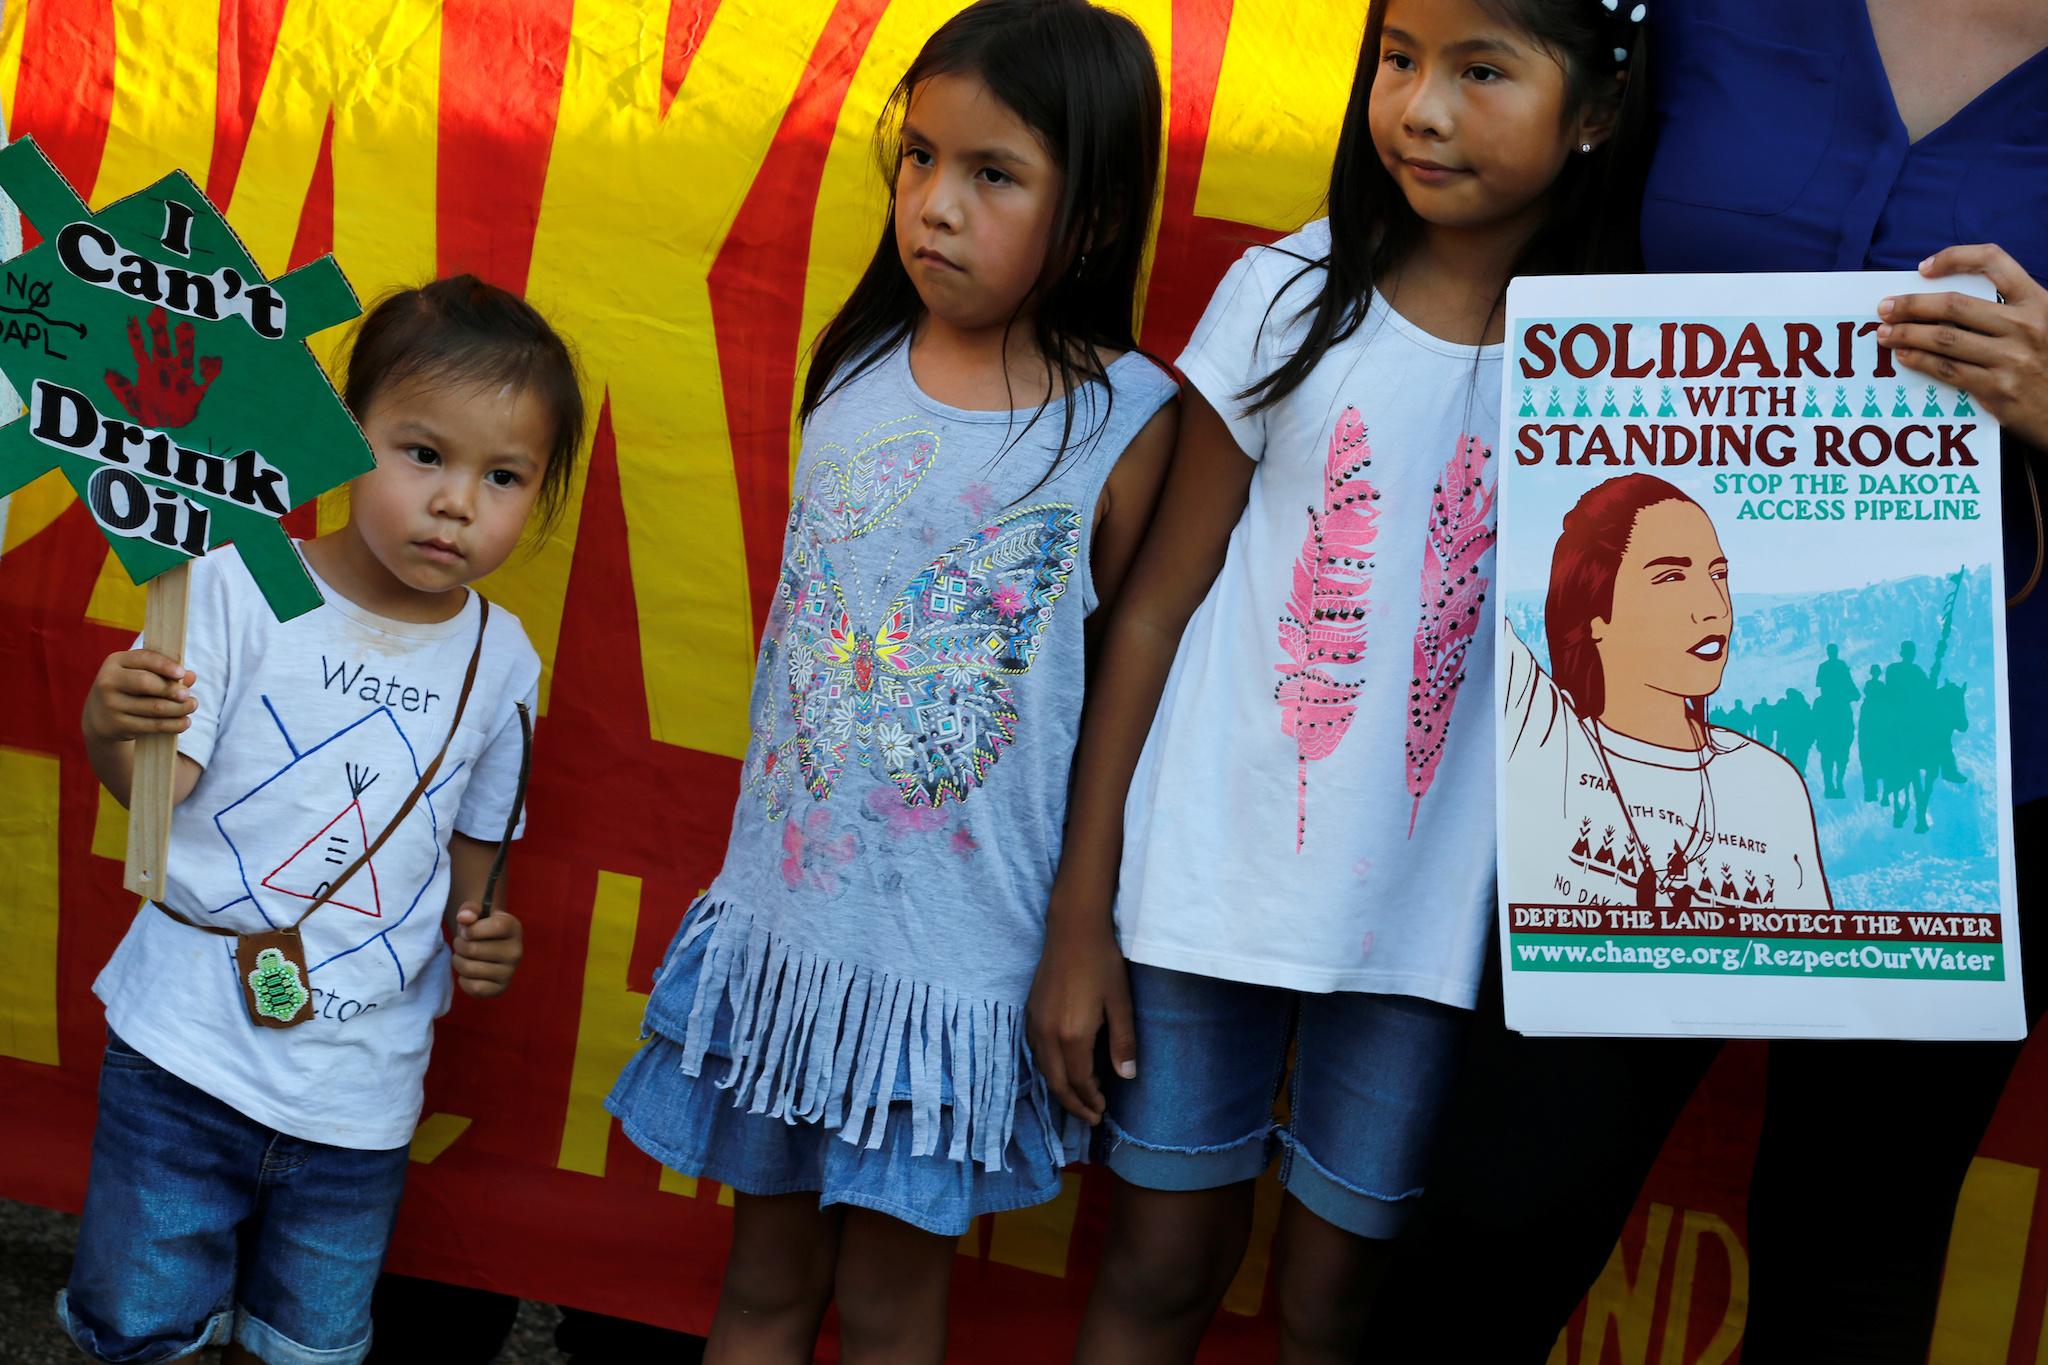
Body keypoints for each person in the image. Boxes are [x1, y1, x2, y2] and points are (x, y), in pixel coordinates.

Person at [1370, 0, 2048, 1358]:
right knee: (1496, 1214)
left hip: (1980, 773)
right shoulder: (1709, 12)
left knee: (1851, 1261)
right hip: (1616, 746)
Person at [1024, 0, 1652, 1357]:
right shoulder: (1290, 299)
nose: (1419, 109)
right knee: (1159, 1260)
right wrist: (1082, 910)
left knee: (1333, 1302)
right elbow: (1149, 614)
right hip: (1206, 892)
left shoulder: (1627, 362)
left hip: (1433, 929)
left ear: (1600, 108)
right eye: (1399, 59)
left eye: (1483, 71)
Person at [604, 3, 1178, 1360]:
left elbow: (1118, 710)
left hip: (953, 964)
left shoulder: (1130, 428)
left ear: (1092, 216)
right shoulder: (858, 367)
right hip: (795, 938)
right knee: (758, 1286)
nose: (935, 204)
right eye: (919, 158)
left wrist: (1080, 932)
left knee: (888, 1308)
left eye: (993, 175)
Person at [58, 276, 582, 1365]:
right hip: (182, 1052)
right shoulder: (243, 585)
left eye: (503, 477)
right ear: (345, 437)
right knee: (140, 1328)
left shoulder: (503, 660)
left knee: (311, 1345)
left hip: (362, 1087)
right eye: (422, 454)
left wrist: (487, 932)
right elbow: (160, 786)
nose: (455, 503)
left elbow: (479, 859)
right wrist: (113, 727)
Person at [1501, 475, 1828, 915]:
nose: (1715, 606)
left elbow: (1812, 963)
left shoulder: (1774, 786)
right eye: (1672, 576)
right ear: (1596, 612)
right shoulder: (1543, 740)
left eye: (1718, 574)